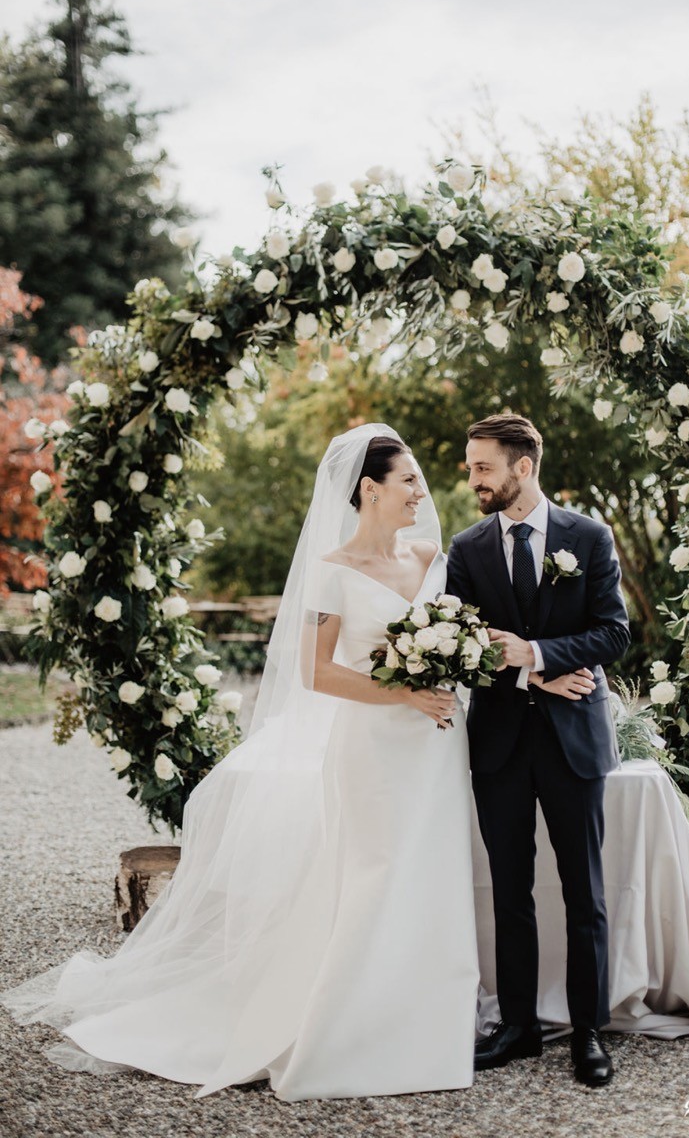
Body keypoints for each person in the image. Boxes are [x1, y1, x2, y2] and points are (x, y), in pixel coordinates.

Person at [3, 423, 480, 1101]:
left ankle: (427, 1016)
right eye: (408, 482)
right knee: (372, 875)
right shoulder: (333, 571)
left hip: (435, 746)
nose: (420, 494)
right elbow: (316, 675)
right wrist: (406, 691)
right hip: (373, 746)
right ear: (369, 489)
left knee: (430, 872)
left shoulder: (433, 558)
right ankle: (351, 1025)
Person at [446, 413, 630, 1088]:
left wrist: (543, 652)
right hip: (498, 744)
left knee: (584, 893)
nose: (473, 479)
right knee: (509, 891)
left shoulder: (588, 536)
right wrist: (534, 668)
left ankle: (587, 1032)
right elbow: (462, 642)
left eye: (482, 467)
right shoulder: (466, 549)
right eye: (470, 467)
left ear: (522, 467)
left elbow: (612, 634)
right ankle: (518, 1027)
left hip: (572, 742)